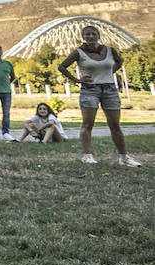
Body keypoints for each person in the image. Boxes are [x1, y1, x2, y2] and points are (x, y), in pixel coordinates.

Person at [58, 26, 140, 167]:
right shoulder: (79, 52)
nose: (91, 36)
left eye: (93, 34)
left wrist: (110, 73)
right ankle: (87, 155)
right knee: (88, 124)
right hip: (89, 89)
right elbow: (62, 66)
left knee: (115, 125)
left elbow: (119, 61)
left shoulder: (110, 50)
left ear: (98, 35)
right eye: (87, 34)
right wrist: (77, 80)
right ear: (83, 37)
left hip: (109, 89)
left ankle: (124, 157)